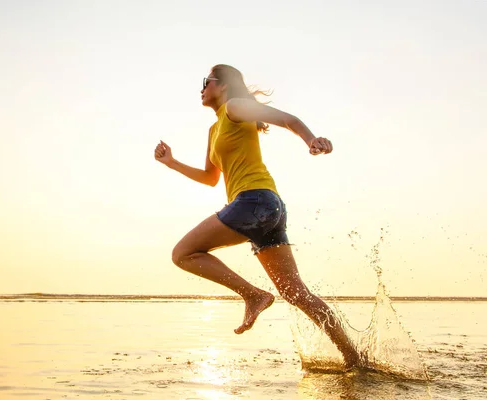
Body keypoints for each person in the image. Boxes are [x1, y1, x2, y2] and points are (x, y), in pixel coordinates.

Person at [154, 64, 360, 368]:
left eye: (206, 82)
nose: (201, 88)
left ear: (222, 86)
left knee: (183, 253)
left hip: (254, 201)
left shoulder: (235, 107)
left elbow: (288, 120)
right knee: (297, 293)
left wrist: (312, 140)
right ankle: (354, 358)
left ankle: (252, 295)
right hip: (268, 209)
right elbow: (211, 178)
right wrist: (172, 163)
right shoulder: (214, 129)